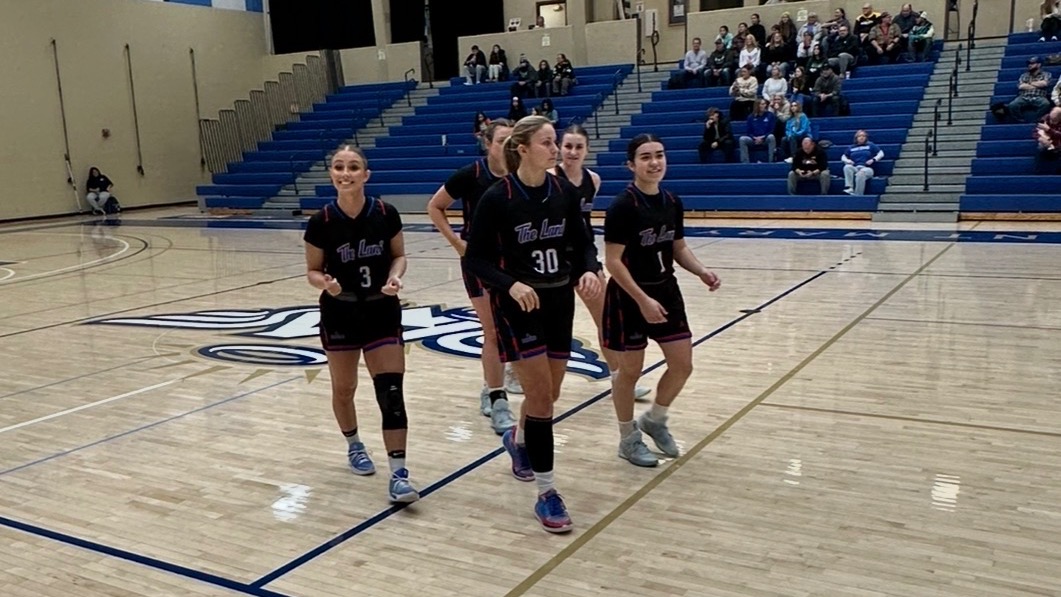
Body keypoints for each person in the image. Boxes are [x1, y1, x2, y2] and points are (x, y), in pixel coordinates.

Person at [465, 115, 602, 533]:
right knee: (540, 396)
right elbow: (475, 259)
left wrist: (590, 269)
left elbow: (583, 242)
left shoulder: (563, 190)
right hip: (519, 305)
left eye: (555, 142)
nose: (555, 149)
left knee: (551, 393)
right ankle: (547, 493)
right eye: (546, 143)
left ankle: (518, 440)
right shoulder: (498, 197)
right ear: (523, 148)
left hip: (560, 299)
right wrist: (510, 284)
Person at [303, 145, 419, 504]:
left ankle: (399, 474)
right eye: (339, 167)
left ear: (365, 175)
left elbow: (398, 256)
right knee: (344, 388)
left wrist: (395, 277)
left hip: (381, 309)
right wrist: (326, 283)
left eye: (353, 167)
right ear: (332, 175)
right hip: (340, 312)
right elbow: (312, 271)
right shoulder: (321, 221)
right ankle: (354, 444)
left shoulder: (385, 213)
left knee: (391, 391)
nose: (346, 172)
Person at [602, 134, 721, 468]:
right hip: (629, 296)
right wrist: (641, 300)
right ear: (631, 165)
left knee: (683, 364)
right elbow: (612, 262)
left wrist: (701, 271)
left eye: (659, 155)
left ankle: (655, 419)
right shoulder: (623, 206)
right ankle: (628, 437)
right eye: (645, 157)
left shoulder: (671, 201)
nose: (654, 162)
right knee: (630, 372)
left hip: (666, 290)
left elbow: (677, 247)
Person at [426, 120, 517, 434]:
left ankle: (502, 378)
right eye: (502, 141)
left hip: (513, 262)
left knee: (513, 327)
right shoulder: (471, 175)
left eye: (512, 140)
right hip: (479, 261)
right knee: (492, 331)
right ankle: (495, 396)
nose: (507, 147)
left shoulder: (522, 174)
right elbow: (435, 206)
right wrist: (456, 242)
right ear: (488, 144)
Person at [550, 125, 651, 400]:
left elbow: (583, 224)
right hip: (552, 260)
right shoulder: (549, 178)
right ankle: (515, 368)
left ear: (587, 150)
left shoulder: (592, 180)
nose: (572, 152)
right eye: (568, 146)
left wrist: (590, 263)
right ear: (559, 148)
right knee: (542, 323)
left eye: (578, 147)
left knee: (608, 321)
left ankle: (620, 379)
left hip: (583, 258)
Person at [842, 130, 884, 195]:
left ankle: (858, 194)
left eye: (863, 136)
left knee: (860, 174)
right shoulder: (851, 147)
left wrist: (873, 159)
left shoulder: (870, 145)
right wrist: (848, 161)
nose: (861, 137)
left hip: (867, 168)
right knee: (847, 167)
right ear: (856, 138)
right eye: (859, 136)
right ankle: (849, 187)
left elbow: (881, 153)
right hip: (855, 167)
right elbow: (843, 157)